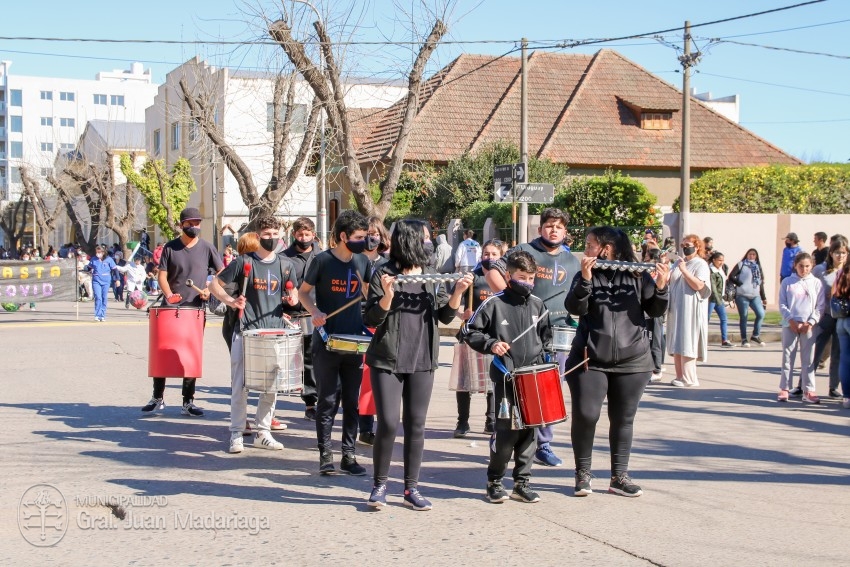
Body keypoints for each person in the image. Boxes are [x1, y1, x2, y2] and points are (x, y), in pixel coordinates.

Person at [364, 219, 472, 510]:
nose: (429, 242)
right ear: (409, 241)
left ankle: (411, 488)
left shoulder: (430, 275)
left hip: (423, 358)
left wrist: (458, 293)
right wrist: (387, 297)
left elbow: (444, 317)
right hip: (387, 358)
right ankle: (380, 485)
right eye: (424, 238)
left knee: (416, 425)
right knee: (387, 423)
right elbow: (370, 319)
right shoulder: (382, 273)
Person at [565, 227, 670, 497]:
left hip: (632, 360)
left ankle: (619, 476)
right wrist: (586, 280)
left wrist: (661, 288)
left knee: (623, 419)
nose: (585, 248)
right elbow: (574, 308)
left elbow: (655, 311)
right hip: (590, 358)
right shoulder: (584, 274)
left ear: (607, 248)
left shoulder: (638, 276)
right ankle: (583, 474)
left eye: (589, 244)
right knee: (587, 415)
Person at [485, 207, 581, 467]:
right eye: (549, 225)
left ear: (565, 231)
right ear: (540, 229)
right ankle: (503, 435)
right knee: (517, 388)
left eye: (559, 226)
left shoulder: (572, 260)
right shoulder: (524, 251)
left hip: (558, 332)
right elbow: (493, 270)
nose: (553, 230)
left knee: (549, 389)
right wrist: (510, 300)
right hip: (522, 331)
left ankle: (543, 444)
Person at [463, 251, 549, 505]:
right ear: (509, 276)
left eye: (531, 278)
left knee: (530, 432)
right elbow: (470, 330)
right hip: (505, 378)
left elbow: (546, 339)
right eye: (522, 277)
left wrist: (546, 361)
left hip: (533, 378)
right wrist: (491, 344)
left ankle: (522, 483)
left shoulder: (538, 304)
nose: (528, 282)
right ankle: (495, 481)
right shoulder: (493, 303)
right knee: (507, 432)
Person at [209, 215, 299, 453]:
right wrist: (231, 301)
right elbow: (214, 284)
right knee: (240, 385)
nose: (272, 238)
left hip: (274, 331)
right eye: (267, 234)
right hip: (246, 331)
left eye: (275, 234)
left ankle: (263, 432)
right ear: (258, 236)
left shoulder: (285, 265)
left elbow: (295, 293)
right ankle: (237, 433)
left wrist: (292, 298)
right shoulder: (243, 262)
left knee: (271, 386)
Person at [298, 210, 371, 476]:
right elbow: (303, 293)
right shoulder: (322, 261)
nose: (363, 241)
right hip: (327, 340)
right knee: (327, 401)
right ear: (343, 236)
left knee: (351, 402)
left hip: (354, 342)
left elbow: (371, 292)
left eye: (365, 236)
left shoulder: (363, 261)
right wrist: (315, 312)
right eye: (358, 237)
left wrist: (377, 290)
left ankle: (348, 455)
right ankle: (325, 454)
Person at [141, 207, 223, 417]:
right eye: (189, 223)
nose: (193, 227)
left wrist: (209, 289)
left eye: (196, 223)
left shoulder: (207, 248)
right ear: (181, 225)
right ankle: (157, 398)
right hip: (170, 309)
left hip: (194, 309)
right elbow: (162, 276)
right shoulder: (170, 248)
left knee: (190, 355)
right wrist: (168, 295)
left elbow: (222, 273)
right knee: (163, 351)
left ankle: (188, 401)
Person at [453, 238, 504, 437]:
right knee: (465, 381)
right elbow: (452, 300)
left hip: (494, 335)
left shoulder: (503, 279)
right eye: (486, 254)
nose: (489, 258)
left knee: (492, 380)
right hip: (471, 334)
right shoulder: (471, 277)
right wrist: (460, 314)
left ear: (501, 257)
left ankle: (490, 420)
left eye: (494, 254)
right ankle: (462, 422)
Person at [282, 217, 321, 421]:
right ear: (294, 235)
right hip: (295, 314)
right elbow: (279, 286)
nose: (304, 238)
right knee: (303, 360)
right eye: (300, 234)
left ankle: (323, 397)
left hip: (319, 314)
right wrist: (285, 299)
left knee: (319, 358)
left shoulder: (323, 257)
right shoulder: (284, 258)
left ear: (313, 235)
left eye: (307, 234)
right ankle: (309, 402)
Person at [357, 216, 391, 445]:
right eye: (368, 233)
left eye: (375, 233)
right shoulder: (353, 260)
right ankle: (363, 426)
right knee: (361, 377)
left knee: (374, 376)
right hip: (356, 320)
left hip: (378, 321)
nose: (372, 238)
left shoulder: (387, 264)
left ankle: (374, 426)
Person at [777, 252, 823, 403]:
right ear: (795, 266)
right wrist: (791, 320)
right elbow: (782, 303)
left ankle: (808, 390)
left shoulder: (816, 283)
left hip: (808, 326)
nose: (804, 269)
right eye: (801, 266)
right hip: (790, 324)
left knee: (808, 359)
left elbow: (820, 306)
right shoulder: (787, 282)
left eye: (807, 266)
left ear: (812, 266)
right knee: (788, 357)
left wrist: (810, 322)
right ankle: (785, 388)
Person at [666, 234, 711, 387]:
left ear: (697, 246)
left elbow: (699, 286)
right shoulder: (679, 262)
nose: (685, 248)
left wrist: (684, 271)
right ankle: (680, 376)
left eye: (688, 245)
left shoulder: (700, 264)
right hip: (676, 307)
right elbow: (668, 279)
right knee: (677, 340)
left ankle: (690, 378)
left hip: (691, 308)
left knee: (687, 340)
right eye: (683, 245)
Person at [807, 237, 848, 399]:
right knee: (815, 351)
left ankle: (833, 387)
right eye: (837, 253)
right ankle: (805, 384)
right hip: (824, 316)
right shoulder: (820, 270)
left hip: (842, 317)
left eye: (844, 253)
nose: (840, 256)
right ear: (831, 253)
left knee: (838, 353)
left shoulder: (847, 271)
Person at [727, 249, 768, 347]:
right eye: (750, 254)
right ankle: (744, 339)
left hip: (755, 295)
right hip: (742, 295)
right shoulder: (741, 264)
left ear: (756, 256)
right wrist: (739, 283)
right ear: (747, 255)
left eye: (754, 255)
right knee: (744, 316)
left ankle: (755, 335)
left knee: (761, 314)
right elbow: (731, 276)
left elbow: (760, 283)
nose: (752, 256)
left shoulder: (757, 266)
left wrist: (763, 297)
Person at [643, 246, 667, 382]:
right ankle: (652, 365)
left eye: (647, 253)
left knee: (655, 340)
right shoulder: (648, 268)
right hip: (648, 310)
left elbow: (661, 287)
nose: (645, 255)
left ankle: (657, 368)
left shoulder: (658, 269)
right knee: (650, 339)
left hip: (656, 310)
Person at [707, 251, 734, 348]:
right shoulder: (711, 270)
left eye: (722, 260)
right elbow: (713, 287)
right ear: (714, 260)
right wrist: (719, 300)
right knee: (706, 319)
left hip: (720, 298)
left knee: (724, 319)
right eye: (719, 260)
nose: (721, 262)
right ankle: (700, 340)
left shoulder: (722, 269)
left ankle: (724, 340)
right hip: (711, 299)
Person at [833, 261, 850, 410]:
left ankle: (847, 397)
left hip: (841, 319)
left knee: (845, 359)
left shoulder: (841, 273)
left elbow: (834, 294)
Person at [87, 245, 117, 321]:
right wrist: (84, 268)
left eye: (99, 252)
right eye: (97, 252)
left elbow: (115, 269)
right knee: (98, 297)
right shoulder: (93, 259)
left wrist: (117, 279)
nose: (98, 254)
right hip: (96, 280)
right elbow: (89, 267)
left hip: (106, 281)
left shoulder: (109, 259)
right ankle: (97, 314)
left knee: (104, 297)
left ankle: (102, 315)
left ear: (103, 252)